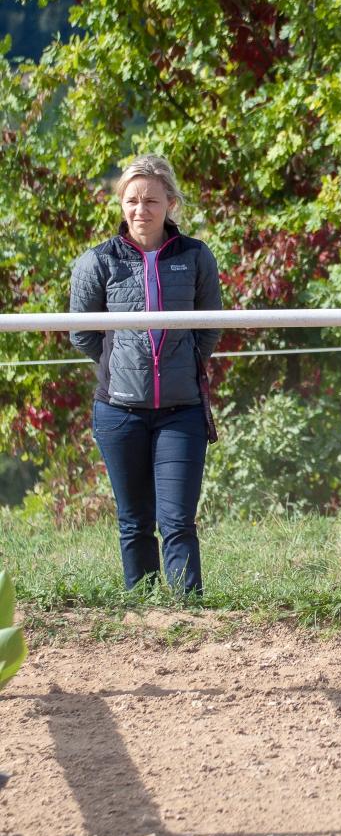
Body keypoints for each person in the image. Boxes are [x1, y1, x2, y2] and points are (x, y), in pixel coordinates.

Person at [69, 155, 222, 595]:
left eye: (151, 200)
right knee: (134, 521)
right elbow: (82, 335)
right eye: (132, 200)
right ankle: (141, 612)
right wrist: (122, 367)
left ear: (170, 203)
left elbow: (209, 327)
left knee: (177, 521)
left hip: (182, 411)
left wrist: (180, 363)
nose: (141, 210)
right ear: (121, 204)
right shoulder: (98, 261)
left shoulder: (195, 255)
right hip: (118, 412)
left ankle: (188, 612)